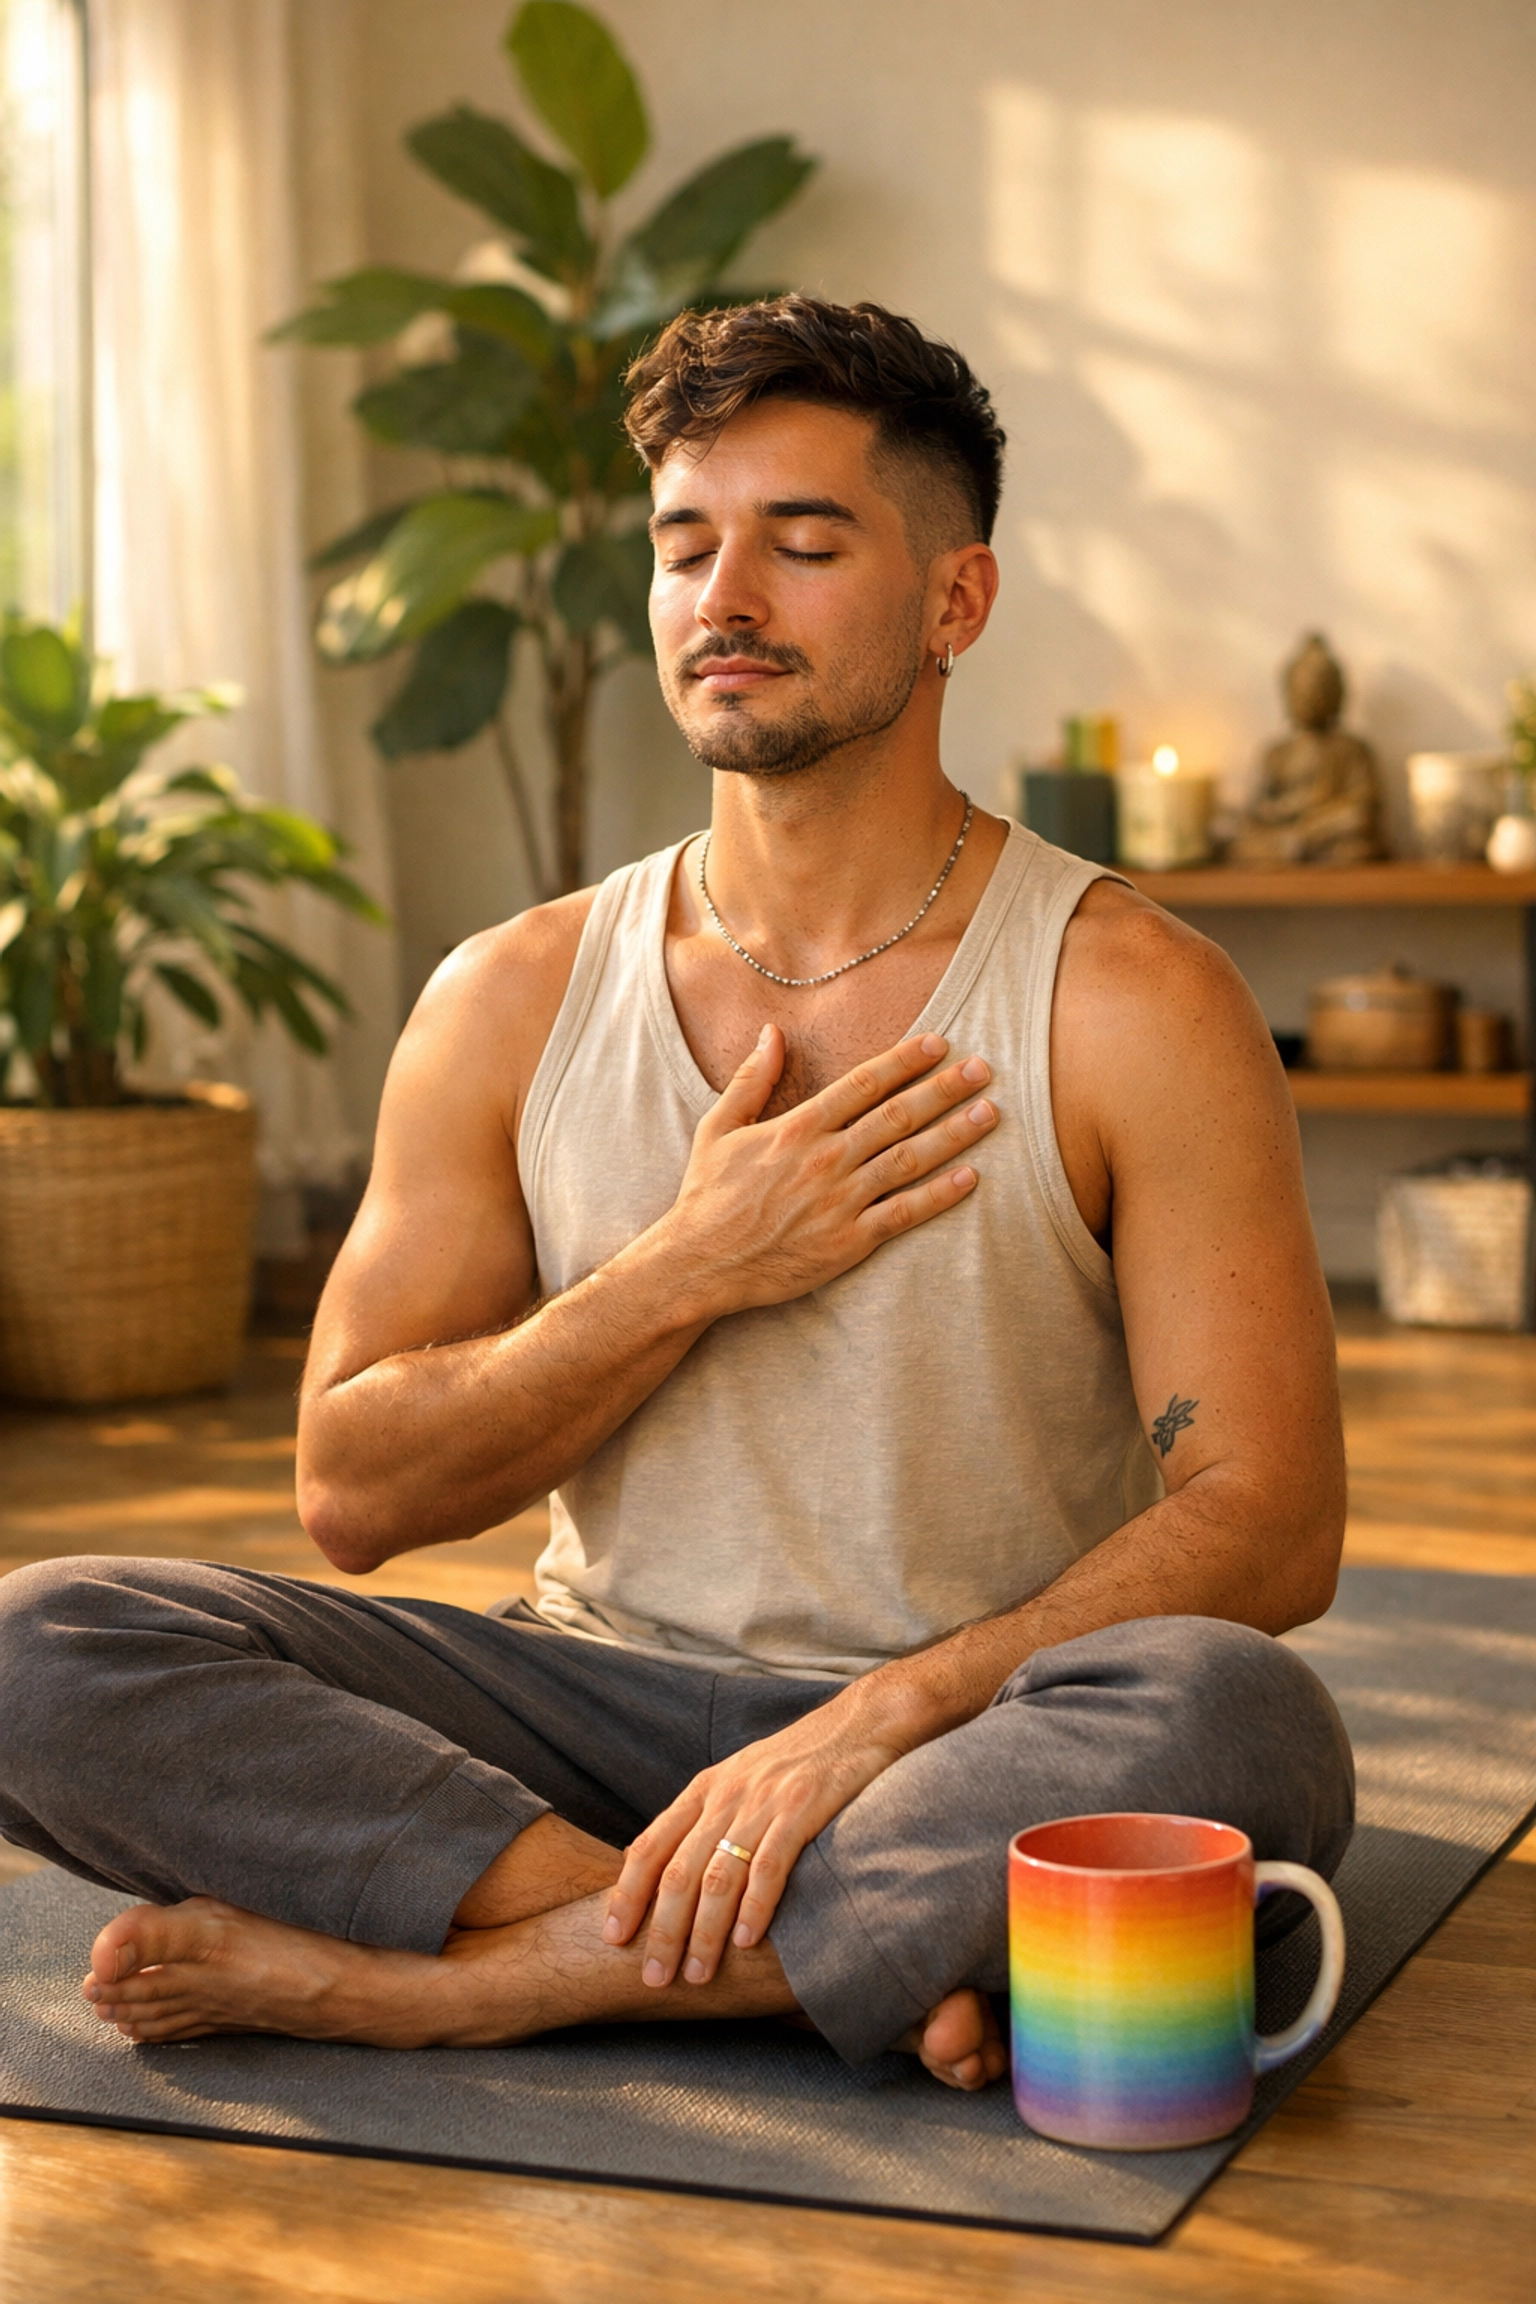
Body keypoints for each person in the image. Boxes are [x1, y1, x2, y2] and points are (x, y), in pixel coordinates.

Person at [0, 297, 1353, 2092]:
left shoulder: (1131, 999)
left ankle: (487, 1979)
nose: (727, 597)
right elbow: (352, 1492)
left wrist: (873, 1722)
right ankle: (830, 1954)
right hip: (582, 1708)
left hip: (973, 1727)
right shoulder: (511, 996)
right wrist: (689, 1267)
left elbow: (1272, 1524)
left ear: (956, 601)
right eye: (685, 544)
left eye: (804, 544)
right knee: (41, 1644)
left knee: (1240, 1716)